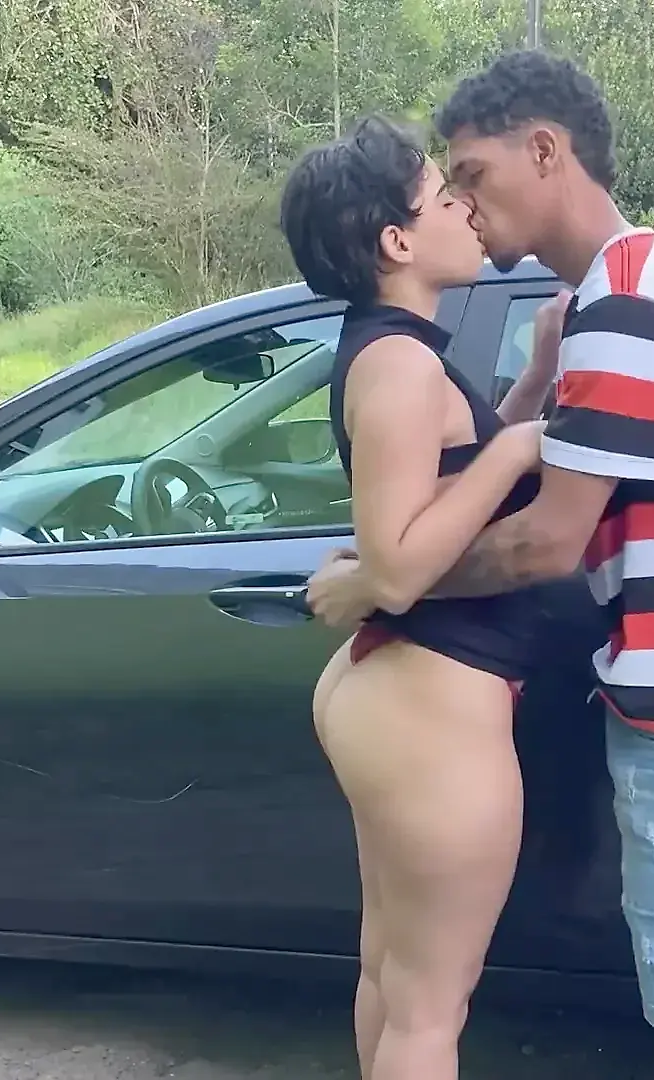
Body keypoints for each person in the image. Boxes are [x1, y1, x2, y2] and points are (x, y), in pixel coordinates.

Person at [305, 52, 654, 1080]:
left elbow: (546, 538)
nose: (465, 202)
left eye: (472, 175)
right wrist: (533, 393)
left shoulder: (629, 300)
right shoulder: (617, 295)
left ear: (545, 151)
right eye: (446, 187)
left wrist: (383, 580)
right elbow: (503, 488)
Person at [277, 113, 568, 1080]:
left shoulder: (395, 351)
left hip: (407, 696)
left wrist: (533, 381)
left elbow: (447, 486)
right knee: (428, 1012)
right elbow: (397, 567)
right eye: (445, 197)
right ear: (396, 242)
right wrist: (518, 450)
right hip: (431, 702)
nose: (467, 209)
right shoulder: (399, 365)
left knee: (396, 983)